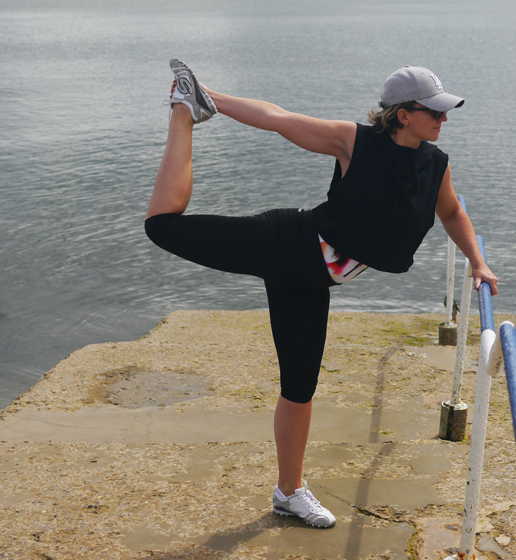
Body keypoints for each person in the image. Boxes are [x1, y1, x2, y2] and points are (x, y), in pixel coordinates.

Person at [145, 59, 497, 528]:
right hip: (284, 243)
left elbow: (452, 213)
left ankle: (288, 493)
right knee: (163, 226)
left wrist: (478, 261)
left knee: (299, 388)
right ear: (402, 114)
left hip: (310, 281)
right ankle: (183, 109)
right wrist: (211, 97)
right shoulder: (354, 142)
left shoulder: (435, 165)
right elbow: (278, 118)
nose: (443, 118)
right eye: (433, 111)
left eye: (444, 110)